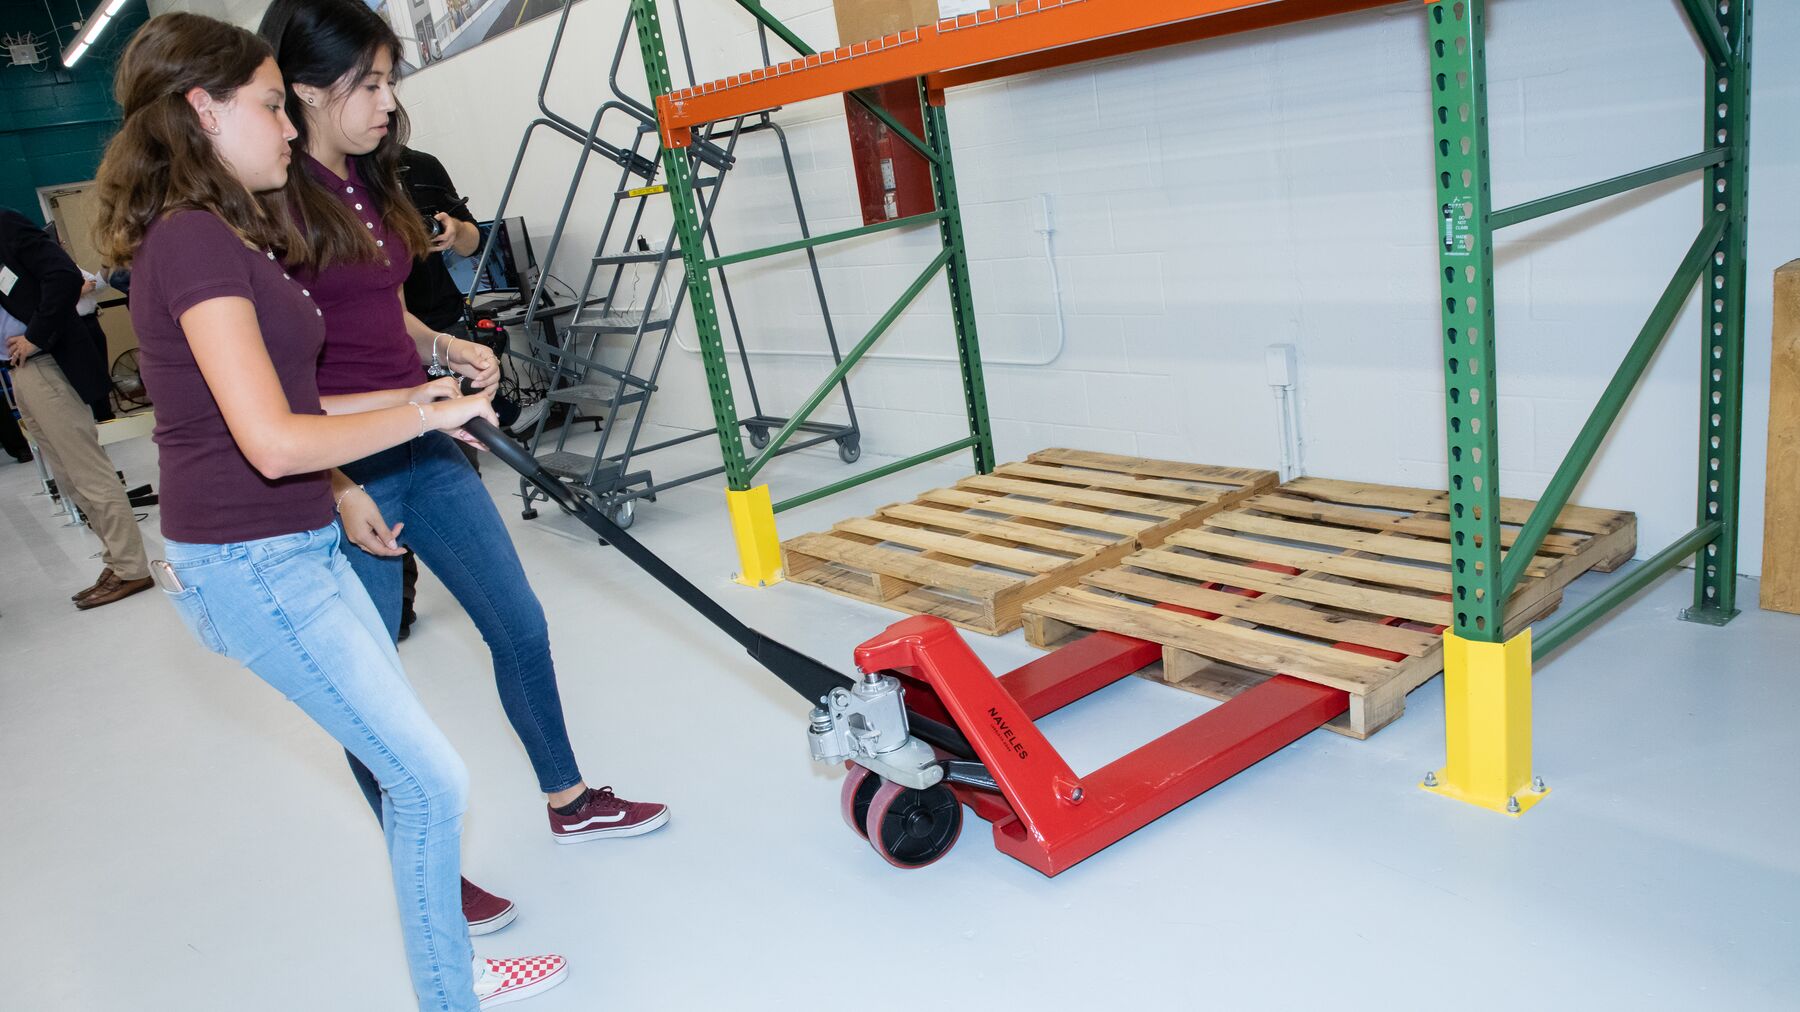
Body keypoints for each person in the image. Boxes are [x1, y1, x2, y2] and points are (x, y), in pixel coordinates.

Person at [90, 14, 565, 1008]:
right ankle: (451, 993)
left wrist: (429, 400)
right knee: (430, 782)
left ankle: (453, 969)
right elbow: (270, 439)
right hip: (251, 563)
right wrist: (410, 413)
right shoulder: (194, 245)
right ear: (202, 111)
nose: (289, 129)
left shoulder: (227, 235)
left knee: (415, 769)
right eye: (271, 106)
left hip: (294, 541)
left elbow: (302, 404)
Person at [257, 0, 669, 934]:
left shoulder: (370, 182)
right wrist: (337, 485)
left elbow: (375, 310)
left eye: (389, 79)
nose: (388, 100)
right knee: (373, 694)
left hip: (427, 442)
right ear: (310, 89)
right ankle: (430, 878)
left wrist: (442, 344)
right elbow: (274, 373)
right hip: (345, 468)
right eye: (370, 82)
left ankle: (571, 802)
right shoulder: (269, 205)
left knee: (518, 624)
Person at [0, 206, 150, 607]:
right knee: (67, 475)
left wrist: (36, 335)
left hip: (45, 360)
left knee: (86, 470)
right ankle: (117, 561)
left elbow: (64, 275)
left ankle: (132, 568)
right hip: (20, 368)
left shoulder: (5, 224)